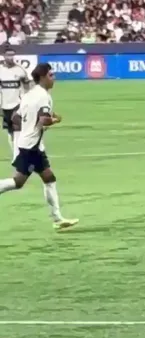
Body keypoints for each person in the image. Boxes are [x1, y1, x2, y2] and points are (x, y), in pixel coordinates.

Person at [0, 63, 79, 231]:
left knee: (48, 177)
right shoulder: (44, 97)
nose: (54, 78)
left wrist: (29, 127)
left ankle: (58, 218)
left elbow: (15, 118)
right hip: (31, 147)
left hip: (29, 144)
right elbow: (44, 120)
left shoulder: (29, 94)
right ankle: (57, 218)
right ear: (42, 77)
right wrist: (55, 120)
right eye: (51, 75)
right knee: (18, 182)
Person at [0, 45, 32, 158]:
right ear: (4, 56)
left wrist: (27, 98)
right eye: (8, 55)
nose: (11, 57)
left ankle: (18, 155)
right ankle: (16, 152)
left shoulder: (20, 69)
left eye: (12, 55)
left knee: (17, 128)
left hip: (17, 104)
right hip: (4, 105)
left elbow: (27, 84)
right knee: (10, 131)